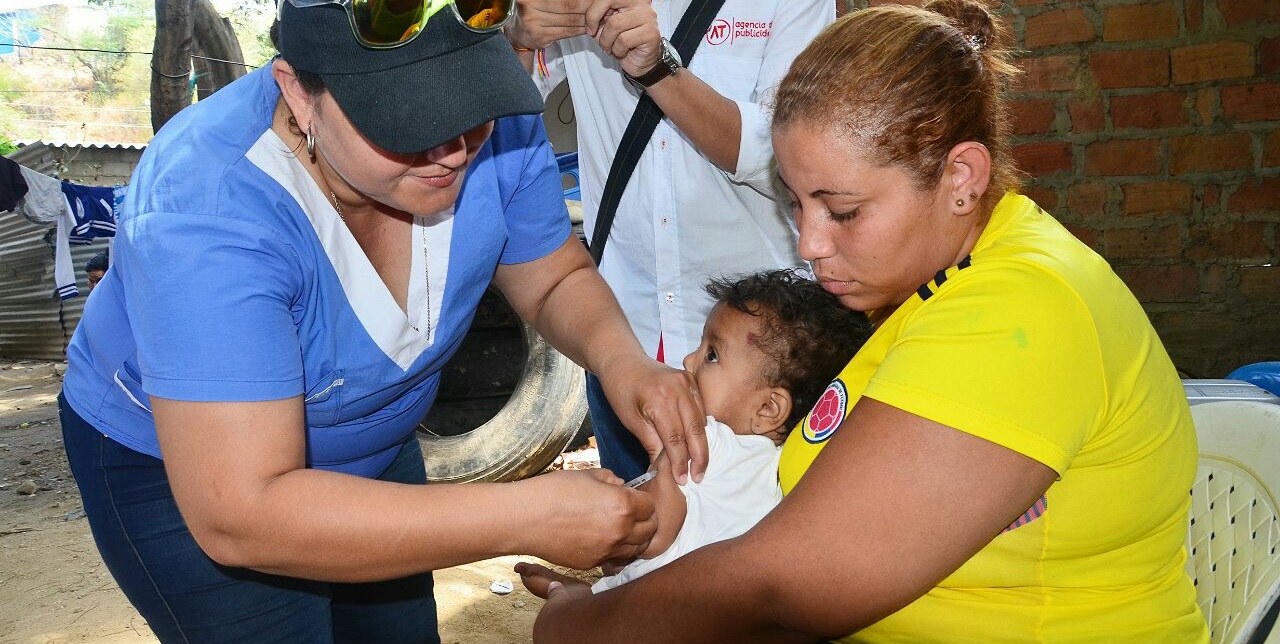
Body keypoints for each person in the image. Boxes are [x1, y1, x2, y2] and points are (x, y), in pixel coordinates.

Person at [518, 1, 1210, 641]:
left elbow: (783, 583)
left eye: (842, 211)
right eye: (795, 203)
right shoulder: (915, 286)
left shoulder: (1019, 314)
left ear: (962, 178)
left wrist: (581, 626)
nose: (810, 244)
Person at [58, 2, 705, 642]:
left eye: (472, 105)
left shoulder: (496, 129)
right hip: (191, 470)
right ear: (299, 95)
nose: (454, 150)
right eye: (408, 121)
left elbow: (553, 277)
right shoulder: (207, 201)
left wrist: (625, 364)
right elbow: (243, 513)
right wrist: (524, 514)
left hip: (372, 441)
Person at [504, 0, 834, 482]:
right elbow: (491, 127)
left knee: (774, 536)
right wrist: (514, 35)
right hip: (624, 343)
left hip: (766, 358)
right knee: (637, 543)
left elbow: (793, 157)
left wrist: (658, 70)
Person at [520, 269, 871, 593]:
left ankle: (577, 599)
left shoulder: (703, 439)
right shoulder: (789, 468)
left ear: (767, 409)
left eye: (712, 354)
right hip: (720, 618)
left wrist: (649, 464)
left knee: (584, 610)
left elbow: (643, 534)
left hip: (651, 611)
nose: (689, 361)